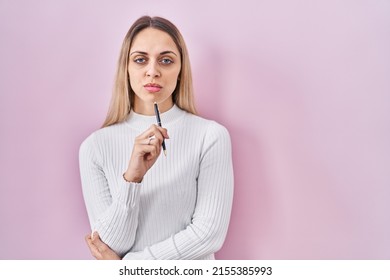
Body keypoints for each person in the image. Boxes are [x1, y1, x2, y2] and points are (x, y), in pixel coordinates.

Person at [79, 15, 234, 260]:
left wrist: (131, 266)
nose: (153, 71)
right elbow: (108, 246)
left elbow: (209, 234)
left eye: (166, 60)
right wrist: (132, 178)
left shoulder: (210, 136)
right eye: (140, 60)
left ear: (180, 69)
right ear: (126, 68)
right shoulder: (94, 147)